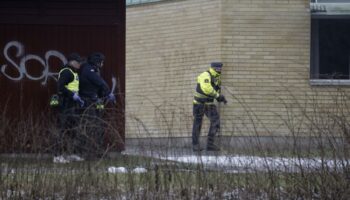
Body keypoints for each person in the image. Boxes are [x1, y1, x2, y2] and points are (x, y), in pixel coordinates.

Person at [78, 52, 115, 157]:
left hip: (94, 100)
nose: (102, 64)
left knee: (97, 126)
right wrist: (108, 93)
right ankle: (90, 152)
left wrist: (104, 94)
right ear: (97, 62)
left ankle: (98, 151)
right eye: (101, 62)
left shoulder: (93, 70)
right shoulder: (89, 70)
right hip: (88, 101)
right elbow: (99, 82)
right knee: (92, 127)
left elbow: (97, 86)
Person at [54, 53, 84, 163]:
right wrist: (72, 95)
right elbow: (60, 87)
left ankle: (72, 154)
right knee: (62, 130)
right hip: (65, 105)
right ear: (72, 62)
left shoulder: (74, 72)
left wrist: (78, 98)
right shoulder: (66, 72)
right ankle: (57, 156)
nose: (80, 64)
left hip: (72, 105)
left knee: (73, 130)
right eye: (78, 62)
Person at [192, 62, 227, 152]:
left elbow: (216, 90)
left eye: (220, 69)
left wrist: (220, 98)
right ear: (213, 68)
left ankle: (210, 145)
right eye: (218, 69)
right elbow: (206, 88)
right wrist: (217, 96)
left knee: (216, 122)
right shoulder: (205, 75)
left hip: (209, 104)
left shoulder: (217, 78)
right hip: (199, 103)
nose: (219, 70)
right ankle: (195, 145)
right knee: (197, 124)